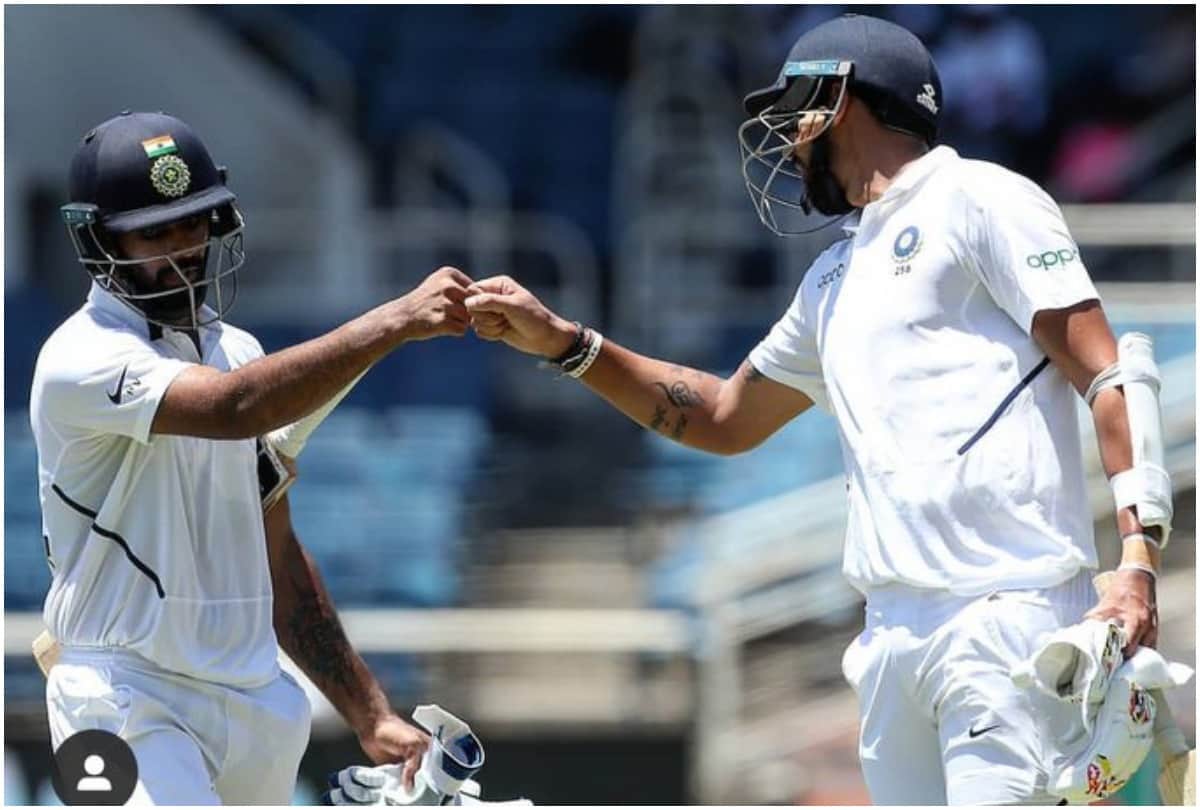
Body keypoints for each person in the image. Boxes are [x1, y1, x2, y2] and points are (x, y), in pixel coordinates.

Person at [463, 14, 1169, 805]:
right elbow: (722, 417)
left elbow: (1112, 376)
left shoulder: (981, 198)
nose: (787, 137)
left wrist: (1137, 563)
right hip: (890, 636)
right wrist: (566, 343)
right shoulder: (831, 277)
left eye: (794, 107)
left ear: (840, 98)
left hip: (1006, 613)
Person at [32, 111, 474, 804]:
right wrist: (392, 321)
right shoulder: (79, 358)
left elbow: (276, 550)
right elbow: (236, 408)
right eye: (155, 232)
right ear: (97, 240)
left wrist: (369, 711)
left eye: (194, 223)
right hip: (122, 699)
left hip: (255, 704)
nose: (183, 248)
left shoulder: (237, 350)